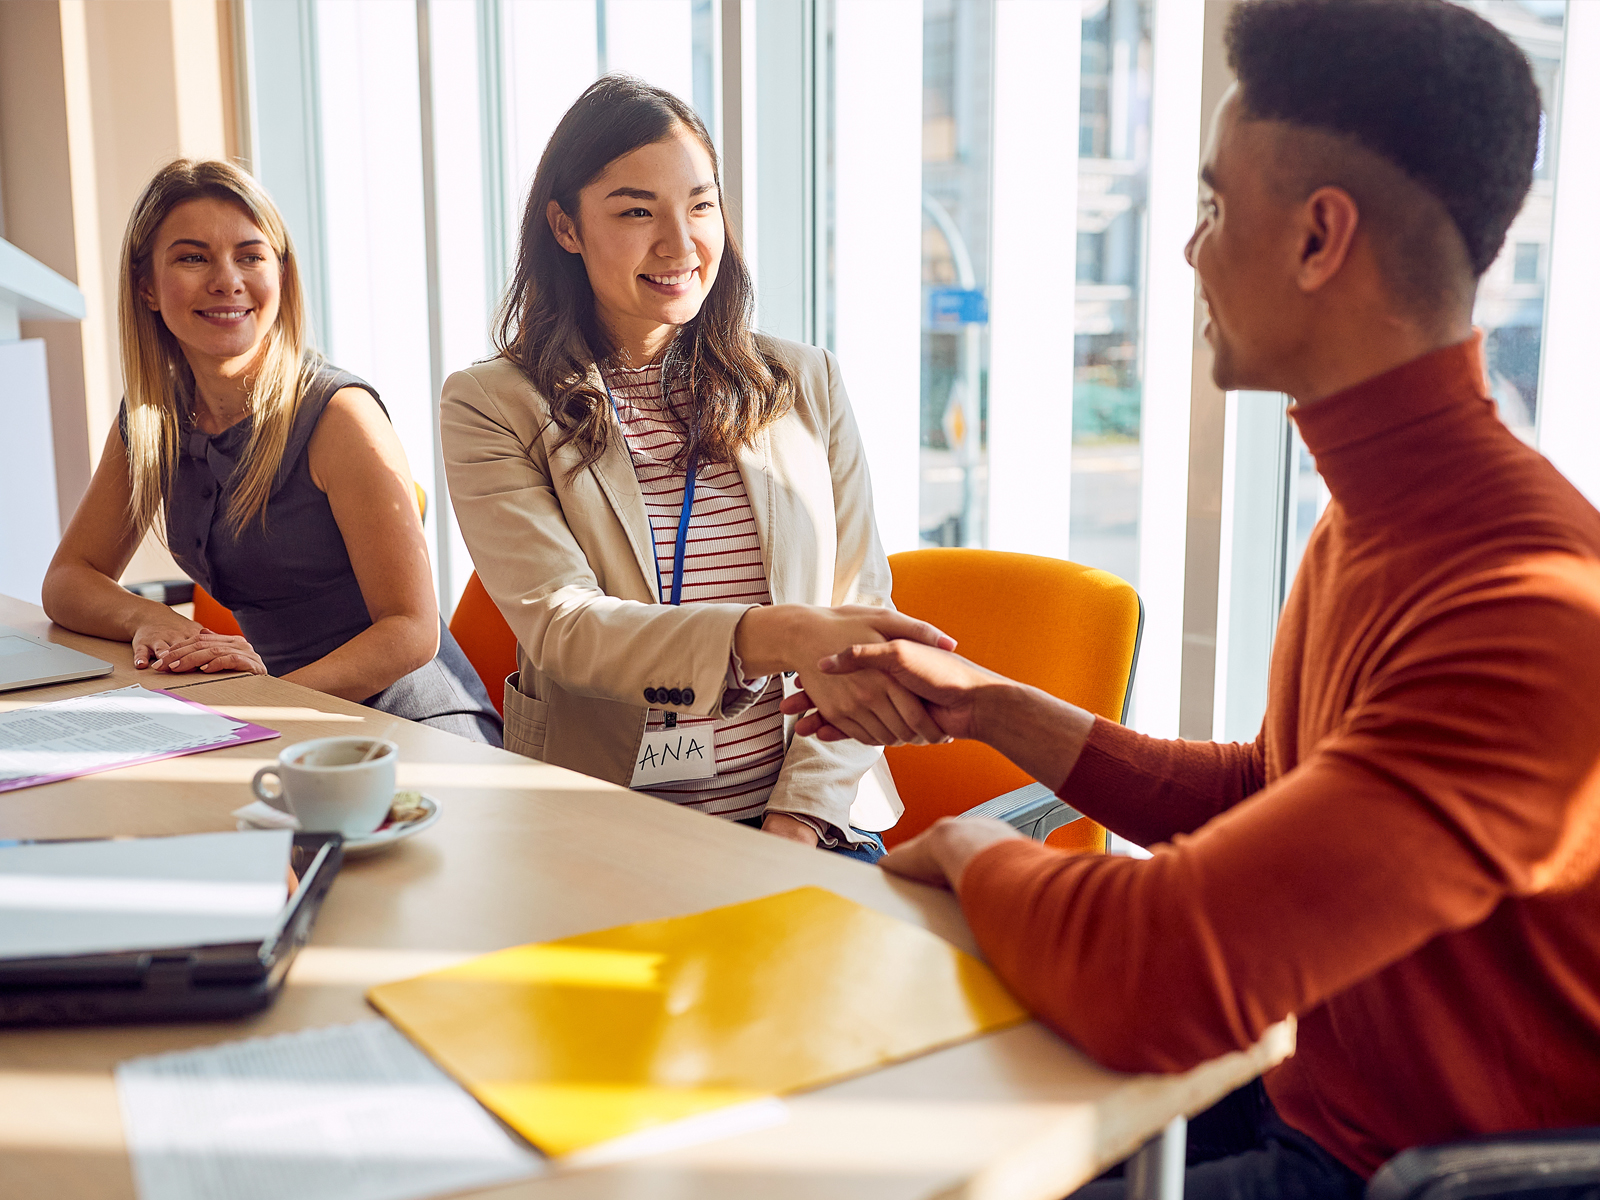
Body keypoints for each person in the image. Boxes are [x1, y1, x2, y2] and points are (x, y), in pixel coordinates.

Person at [783, 0, 1600, 1193]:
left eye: (1214, 207)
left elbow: (1152, 976)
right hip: (1307, 1104)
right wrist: (991, 706)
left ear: (1319, 237)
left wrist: (961, 845)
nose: (1188, 252)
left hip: (1410, 1173)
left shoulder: (1520, 605)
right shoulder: (1375, 515)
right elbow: (1268, 797)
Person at [441, 78, 949, 859]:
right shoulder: (492, 404)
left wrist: (796, 821)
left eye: (701, 205)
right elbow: (567, 628)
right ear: (565, 227)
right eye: (636, 212)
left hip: (807, 824)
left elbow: (858, 607)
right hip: (608, 828)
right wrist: (780, 635)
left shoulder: (805, 382)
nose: (680, 245)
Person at [44, 159, 502, 746]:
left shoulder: (339, 416)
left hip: (413, 722)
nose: (226, 280)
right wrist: (151, 618)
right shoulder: (152, 420)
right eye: (193, 258)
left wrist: (260, 705)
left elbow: (411, 632)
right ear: (146, 287)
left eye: (251, 256)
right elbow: (68, 578)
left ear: (280, 275)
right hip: (279, 715)